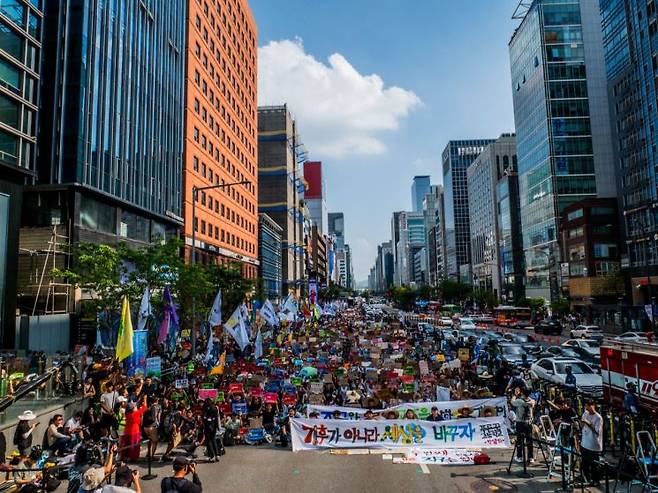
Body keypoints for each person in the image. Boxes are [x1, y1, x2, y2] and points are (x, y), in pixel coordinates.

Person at [580, 400, 603, 487]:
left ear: (593, 406)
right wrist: (581, 422)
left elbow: (597, 431)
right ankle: (586, 478)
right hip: (584, 442)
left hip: (593, 444)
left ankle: (596, 480)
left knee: (594, 464)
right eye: (586, 407)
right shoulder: (585, 413)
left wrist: (588, 423)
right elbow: (581, 426)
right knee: (584, 462)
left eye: (588, 406)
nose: (587, 408)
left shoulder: (598, 418)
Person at [511, 387, 535, 464]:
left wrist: (515, 395)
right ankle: (530, 457)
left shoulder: (519, 401)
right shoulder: (532, 401)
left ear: (522, 393)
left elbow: (512, 402)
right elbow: (529, 399)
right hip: (528, 422)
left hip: (520, 422)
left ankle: (519, 456)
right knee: (529, 440)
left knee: (519, 440)